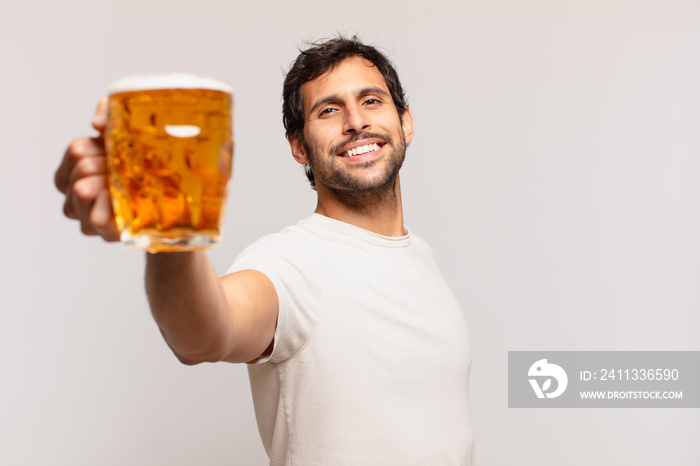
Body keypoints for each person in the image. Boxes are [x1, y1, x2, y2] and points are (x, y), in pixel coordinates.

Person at [55, 36, 475, 465]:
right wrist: (171, 230)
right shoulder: (292, 263)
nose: (355, 121)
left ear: (404, 122)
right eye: (328, 110)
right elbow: (204, 334)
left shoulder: (418, 254)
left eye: (371, 100)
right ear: (299, 147)